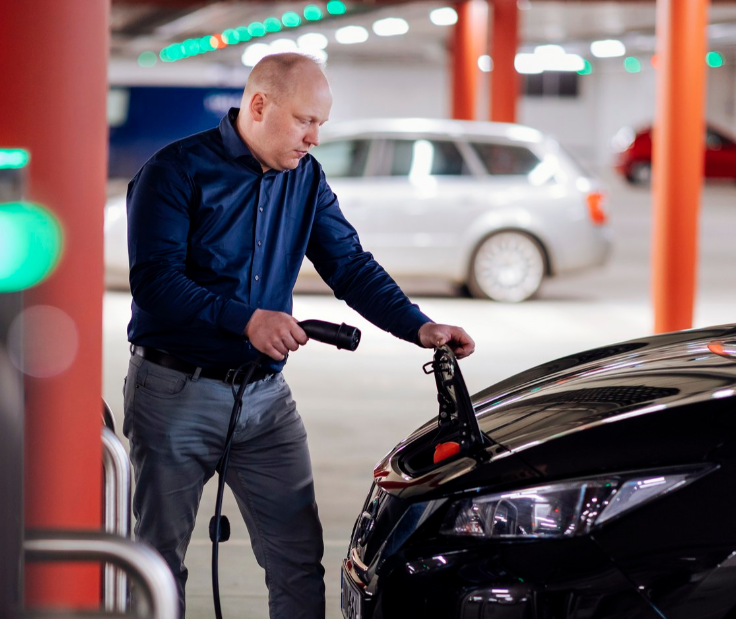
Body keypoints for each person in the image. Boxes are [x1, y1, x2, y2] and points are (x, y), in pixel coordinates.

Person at [122, 52, 475, 619]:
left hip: (263, 400)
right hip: (174, 392)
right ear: (259, 105)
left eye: (321, 125)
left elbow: (350, 266)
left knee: (297, 557)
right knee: (159, 561)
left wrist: (419, 326)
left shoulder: (305, 180)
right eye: (305, 120)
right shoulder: (174, 171)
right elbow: (155, 282)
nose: (314, 137)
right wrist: (245, 318)